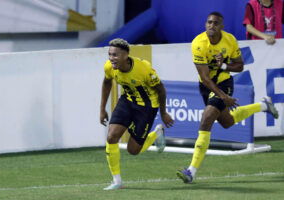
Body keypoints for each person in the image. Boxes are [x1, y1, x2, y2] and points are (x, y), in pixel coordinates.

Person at [176, 12, 279, 184]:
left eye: (216, 23)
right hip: (207, 85)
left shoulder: (229, 40)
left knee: (206, 120)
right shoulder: (198, 43)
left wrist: (223, 65)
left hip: (224, 82)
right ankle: (263, 106)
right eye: (209, 22)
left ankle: (191, 172)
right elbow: (206, 78)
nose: (211, 26)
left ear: (221, 27)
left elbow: (239, 66)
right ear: (205, 24)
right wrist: (224, 98)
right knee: (227, 122)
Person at [100, 38, 174, 190]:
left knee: (133, 150)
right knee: (111, 137)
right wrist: (102, 109)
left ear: (126, 55)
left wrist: (163, 112)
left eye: (115, 55)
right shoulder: (109, 67)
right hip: (127, 101)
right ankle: (117, 181)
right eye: (110, 54)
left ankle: (156, 133)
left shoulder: (143, 68)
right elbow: (107, 82)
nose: (111, 58)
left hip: (147, 106)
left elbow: (161, 89)